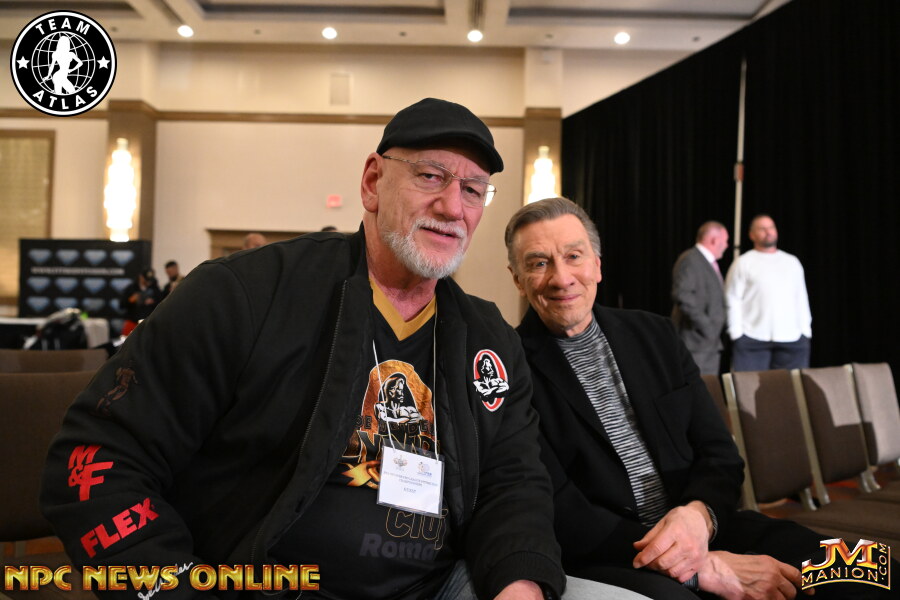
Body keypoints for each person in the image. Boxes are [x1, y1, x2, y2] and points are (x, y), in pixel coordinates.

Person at [40, 100, 643, 600]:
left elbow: (515, 483)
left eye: (473, 189)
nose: (452, 207)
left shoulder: (488, 337)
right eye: (430, 176)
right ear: (373, 182)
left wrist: (519, 583)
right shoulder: (244, 295)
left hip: (443, 585)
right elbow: (97, 457)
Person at [505, 198, 888, 600]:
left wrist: (698, 517)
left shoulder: (656, 335)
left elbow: (720, 454)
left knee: (872, 571)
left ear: (597, 265)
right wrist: (698, 567)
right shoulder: (510, 369)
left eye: (574, 256)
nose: (562, 278)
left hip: (711, 527)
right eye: (539, 263)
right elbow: (559, 511)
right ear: (518, 280)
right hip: (620, 556)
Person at [724, 214, 812, 371]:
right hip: (752, 339)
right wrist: (736, 332)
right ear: (752, 235)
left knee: (789, 386)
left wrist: (805, 330)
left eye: (771, 227)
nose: (768, 232)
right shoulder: (743, 262)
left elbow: (801, 297)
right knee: (748, 385)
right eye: (762, 229)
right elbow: (732, 298)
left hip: (791, 339)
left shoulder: (791, 262)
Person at [670, 221, 729, 375]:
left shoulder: (706, 262)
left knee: (708, 387)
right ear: (714, 240)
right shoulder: (691, 259)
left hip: (707, 344)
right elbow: (683, 295)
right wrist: (707, 327)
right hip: (695, 343)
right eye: (725, 241)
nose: (727, 245)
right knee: (696, 386)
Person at [119, 267, 161, 336]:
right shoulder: (131, 288)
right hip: (133, 322)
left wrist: (153, 302)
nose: (148, 282)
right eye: (146, 280)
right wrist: (131, 300)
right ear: (141, 277)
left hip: (148, 324)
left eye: (150, 280)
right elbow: (122, 305)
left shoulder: (155, 289)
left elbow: (161, 303)